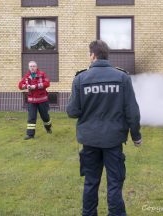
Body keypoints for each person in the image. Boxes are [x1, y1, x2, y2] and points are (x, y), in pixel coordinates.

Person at [66, 40, 142, 216]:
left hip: (90, 140)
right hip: (113, 140)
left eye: (88, 53)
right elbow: (132, 111)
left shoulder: (80, 78)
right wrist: (136, 136)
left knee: (91, 182)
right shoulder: (122, 77)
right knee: (115, 182)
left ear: (93, 55)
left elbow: (72, 112)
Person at [18, 61, 52, 140]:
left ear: (36, 67)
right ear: (28, 68)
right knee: (31, 118)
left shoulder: (42, 74)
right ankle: (30, 135)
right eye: (30, 66)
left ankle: (48, 128)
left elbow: (47, 83)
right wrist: (27, 86)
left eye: (33, 66)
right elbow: (20, 86)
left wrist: (35, 86)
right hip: (32, 101)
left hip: (42, 100)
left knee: (45, 117)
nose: (32, 68)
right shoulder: (27, 77)